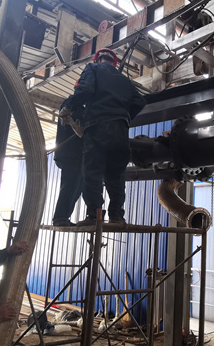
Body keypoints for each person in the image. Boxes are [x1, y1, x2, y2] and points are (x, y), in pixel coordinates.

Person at [64, 48, 146, 226]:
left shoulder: (92, 68)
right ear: (114, 63)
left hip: (97, 128)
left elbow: (85, 90)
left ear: (98, 59)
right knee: (116, 175)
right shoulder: (124, 80)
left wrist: (69, 106)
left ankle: (95, 216)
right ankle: (116, 217)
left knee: (92, 172)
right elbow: (140, 101)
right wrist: (124, 117)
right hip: (121, 132)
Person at [52, 96, 84, 227]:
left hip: (77, 154)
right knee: (70, 184)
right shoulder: (71, 104)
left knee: (78, 187)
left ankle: (63, 217)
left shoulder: (77, 105)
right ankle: (60, 217)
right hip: (70, 152)